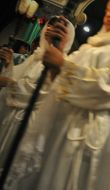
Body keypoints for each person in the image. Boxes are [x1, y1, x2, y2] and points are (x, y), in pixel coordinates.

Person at [5, 0, 110, 189]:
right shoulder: (90, 47)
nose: (108, 14)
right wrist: (58, 54)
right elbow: (57, 80)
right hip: (63, 123)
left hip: (91, 130)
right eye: (107, 9)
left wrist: (63, 65)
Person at [0, 17, 75, 173]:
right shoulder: (36, 56)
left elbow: (42, 93)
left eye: (58, 29)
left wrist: (9, 83)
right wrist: (8, 65)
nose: (50, 30)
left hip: (30, 124)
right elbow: (18, 79)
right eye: (49, 26)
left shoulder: (61, 64)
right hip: (12, 119)